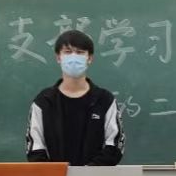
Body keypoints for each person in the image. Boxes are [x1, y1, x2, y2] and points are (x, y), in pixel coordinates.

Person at [25, 29, 124, 166]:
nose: (73, 57)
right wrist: (55, 174)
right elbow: (35, 148)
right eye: (67, 52)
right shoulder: (44, 101)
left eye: (80, 52)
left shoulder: (105, 100)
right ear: (58, 57)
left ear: (90, 58)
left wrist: (87, 172)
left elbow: (114, 146)